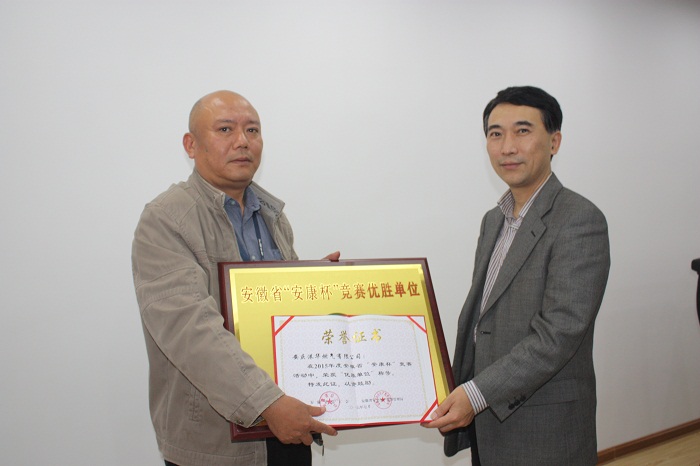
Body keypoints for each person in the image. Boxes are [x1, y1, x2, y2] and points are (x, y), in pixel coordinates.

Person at [132, 90, 338, 466]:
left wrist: (317, 290)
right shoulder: (166, 218)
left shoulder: (272, 215)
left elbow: (273, 315)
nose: (242, 141)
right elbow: (189, 329)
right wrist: (267, 402)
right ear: (191, 145)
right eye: (225, 129)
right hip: (216, 444)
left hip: (288, 425)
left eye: (252, 130)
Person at [423, 86, 610, 465]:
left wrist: (476, 394)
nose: (507, 147)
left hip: (543, 426)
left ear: (554, 141)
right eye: (496, 134)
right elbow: (483, 322)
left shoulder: (579, 219)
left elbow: (558, 334)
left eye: (522, 131)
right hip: (486, 420)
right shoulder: (493, 220)